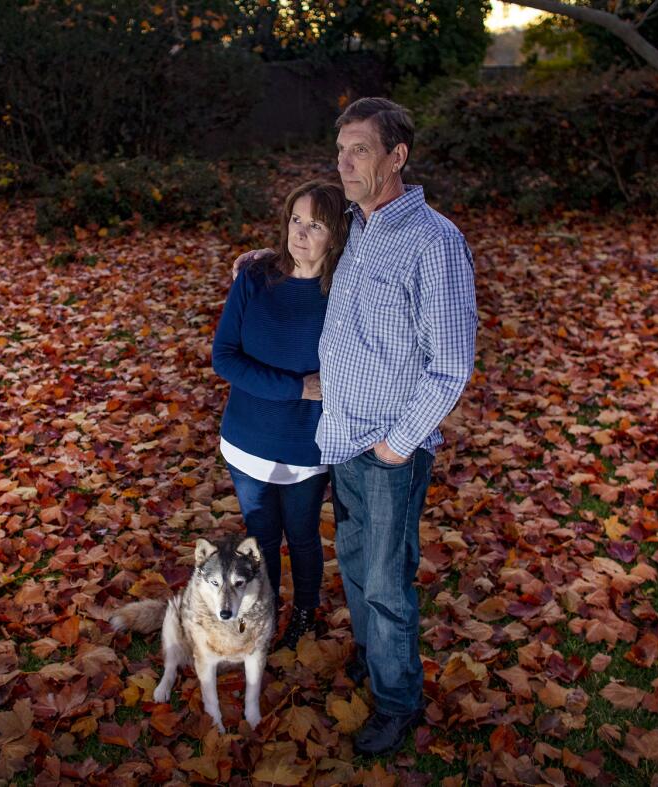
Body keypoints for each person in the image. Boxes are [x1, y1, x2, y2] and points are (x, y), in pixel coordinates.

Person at [236, 97, 478, 756]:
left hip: (388, 450)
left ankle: (398, 701)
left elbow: (452, 364)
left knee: (388, 582)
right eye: (341, 149)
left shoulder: (434, 240)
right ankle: (374, 663)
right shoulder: (354, 224)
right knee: (358, 569)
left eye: (360, 150)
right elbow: (306, 245)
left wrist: (399, 443)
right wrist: (259, 259)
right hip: (340, 439)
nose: (345, 163)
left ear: (398, 156)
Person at [212, 179, 349, 653]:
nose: (301, 233)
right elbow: (225, 357)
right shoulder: (255, 277)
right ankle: (265, 612)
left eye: (315, 225)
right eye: (296, 219)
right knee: (262, 536)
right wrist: (297, 386)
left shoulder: (345, 292)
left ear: (336, 234)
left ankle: (306, 612)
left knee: (303, 534)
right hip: (246, 439)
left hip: (304, 445)